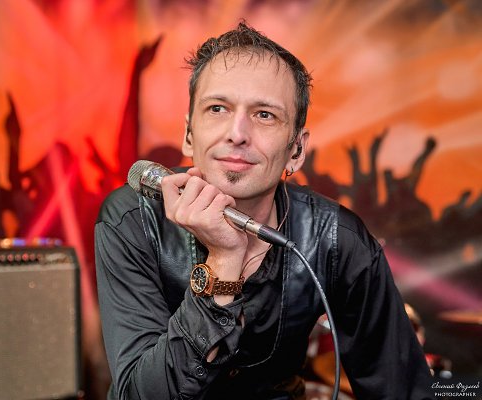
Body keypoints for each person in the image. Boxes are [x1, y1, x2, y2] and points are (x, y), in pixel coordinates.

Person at [95, 22, 434, 399]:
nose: (237, 133)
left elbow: (403, 390)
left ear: (297, 150)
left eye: (264, 115)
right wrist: (224, 260)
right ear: (189, 133)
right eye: (217, 108)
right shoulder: (133, 220)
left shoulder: (337, 238)